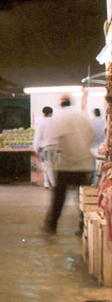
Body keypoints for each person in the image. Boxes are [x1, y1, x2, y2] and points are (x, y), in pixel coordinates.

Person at [43, 94, 94, 234]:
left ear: (61, 104)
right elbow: (92, 134)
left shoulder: (59, 118)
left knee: (59, 197)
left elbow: (53, 140)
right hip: (84, 163)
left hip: (66, 164)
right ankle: (83, 227)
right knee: (83, 197)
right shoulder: (82, 116)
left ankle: (51, 225)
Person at [33, 106, 56, 189]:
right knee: (49, 165)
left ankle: (53, 184)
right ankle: (47, 183)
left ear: (43, 113)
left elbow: (37, 137)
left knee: (47, 166)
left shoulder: (41, 123)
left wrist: (35, 148)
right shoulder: (55, 122)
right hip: (55, 146)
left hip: (46, 147)